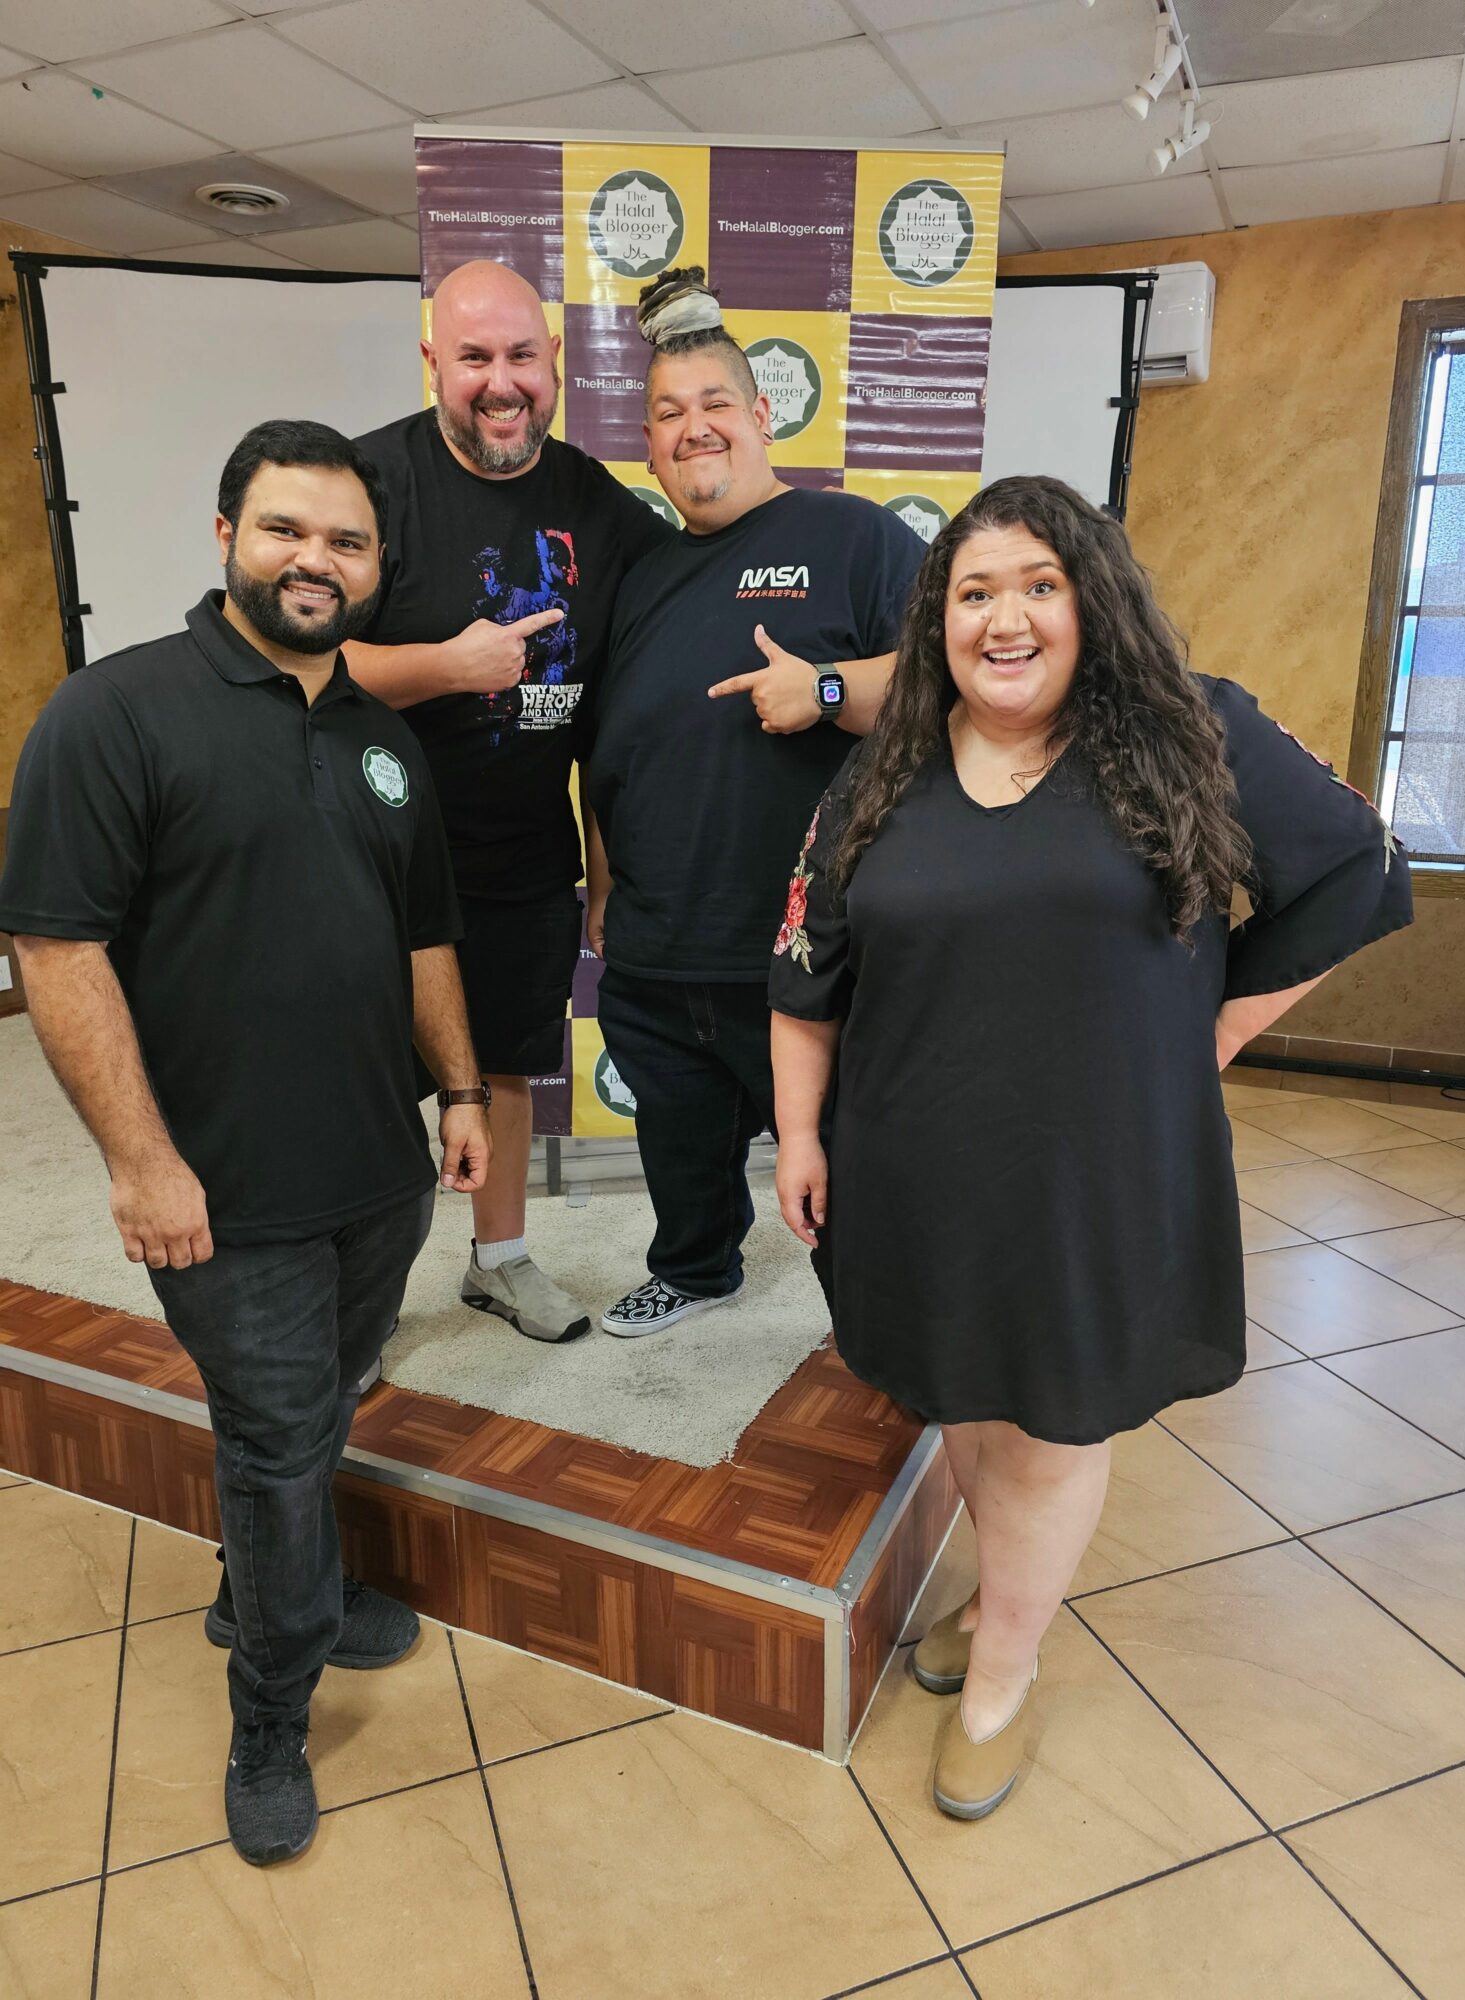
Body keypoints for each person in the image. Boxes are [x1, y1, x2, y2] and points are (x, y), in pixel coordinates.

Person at [768, 476, 1412, 1820]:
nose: (1004, 618)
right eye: (974, 592)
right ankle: (997, 1602)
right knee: (963, 1394)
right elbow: (805, 969)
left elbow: (1359, 865)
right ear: (937, 621)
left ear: (1092, 602)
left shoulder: (1191, 730)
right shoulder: (885, 769)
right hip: (913, 1162)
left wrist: (1218, 1025)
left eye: (1039, 585)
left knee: (1051, 1420)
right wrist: (800, 1134)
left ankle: (1003, 1668)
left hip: (1095, 1168)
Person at [0, 421, 492, 1868]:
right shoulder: (114, 712)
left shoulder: (383, 742)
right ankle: (271, 1711)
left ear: (375, 567)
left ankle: (265, 1588)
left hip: (377, 1174)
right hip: (218, 1191)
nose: (313, 560)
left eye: (345, 541)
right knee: (279, 1443)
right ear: (227, 536)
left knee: (321, 1403)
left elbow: (425, 934)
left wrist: (462, 1091)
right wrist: (141, 1162)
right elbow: (57, 947)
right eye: (285, 529)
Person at [583, 267, 926, 1336]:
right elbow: (607, 749)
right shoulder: (640, 578)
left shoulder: (855, 537)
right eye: (668, 413)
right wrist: (603, 885)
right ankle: (695, 1267)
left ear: (764, 414)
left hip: (804, 946)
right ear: (649, 446)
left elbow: (948, 688)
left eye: (715, 402)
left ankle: (885, 1323)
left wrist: (823, 689)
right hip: (658, 942)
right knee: (679, 1139)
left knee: (849, 1163)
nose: (694, 427)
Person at [347, 259, 675, 1345]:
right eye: (474, 357)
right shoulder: (368, 482)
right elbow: (301, 660)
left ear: (556, 361)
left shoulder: (595, 502)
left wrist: (606, 868)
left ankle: (500, 1260)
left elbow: (629, 691)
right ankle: (357, 1299)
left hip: (524, 851)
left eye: (522, 356)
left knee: (506, 1063)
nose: (502, 383)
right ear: (433, 362)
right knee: (368, 1078)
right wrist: (448, 666)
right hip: (371, 851)